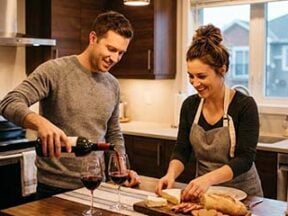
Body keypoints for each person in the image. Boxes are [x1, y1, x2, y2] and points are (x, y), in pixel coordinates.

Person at [0, 11, 140, 199]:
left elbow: (113, 131)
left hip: (97, 186)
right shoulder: (55, 71)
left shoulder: (112, 84)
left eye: (121, 53)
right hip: (53, 189)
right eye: (111, 49)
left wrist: (121, 166)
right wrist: (41, 123)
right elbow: (9, 102)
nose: (115, 58)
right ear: (93, 38)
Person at [156, 24, 263, 201]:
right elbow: (182, 150)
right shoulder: (190, 106)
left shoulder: (244, 105)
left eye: (201, 76)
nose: (195, 83)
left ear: (222, 69)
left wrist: (207, 179)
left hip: (244, 196)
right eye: (191, 76)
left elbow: (245, 159)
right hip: (205, 195)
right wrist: (171, 175)